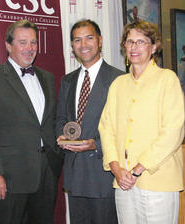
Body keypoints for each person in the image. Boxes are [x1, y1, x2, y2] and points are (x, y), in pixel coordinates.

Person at [0, 20, 63, 224]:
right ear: (8, 45)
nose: (29, 48)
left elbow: (47, 123)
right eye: (22, 42)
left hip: (46, 173)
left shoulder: (47, 78)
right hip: (9, 178)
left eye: (33, 43)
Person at [98, 20, 184, 224]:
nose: (134, 47)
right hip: (123, 182)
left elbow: (173, 131)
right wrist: (116, 169)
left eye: (141, 42)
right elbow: (106, 128)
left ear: (154, 47)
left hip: (158, 183)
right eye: (129, 42)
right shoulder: (118, 84)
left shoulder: (167, 79)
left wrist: (138, 169)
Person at [55, 19, 124, 224]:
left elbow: (124, 130)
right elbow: (61, 119)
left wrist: (96, 144)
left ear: (100, 41)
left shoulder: (118, 79)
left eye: (89, 38)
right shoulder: (67, 81)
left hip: (103, 174)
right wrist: (62, 136)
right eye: (77, 40)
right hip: (75, 176)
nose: (83, 44)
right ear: (72, 46)